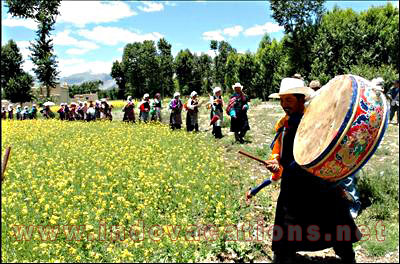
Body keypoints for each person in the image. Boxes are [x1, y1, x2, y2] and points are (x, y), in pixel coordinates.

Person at [249, 77, 360, 263]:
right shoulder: (285, 124)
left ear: (301, 99)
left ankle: (347, 256)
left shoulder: (316, 123)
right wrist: (276, 163)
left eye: (289, 100)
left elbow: (322, 153)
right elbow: (281, 152)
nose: (284, 105)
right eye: (282, 100)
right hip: (293, 185)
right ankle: (284, 254)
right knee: (288, 223)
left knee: (333, 219)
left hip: (318, 182)